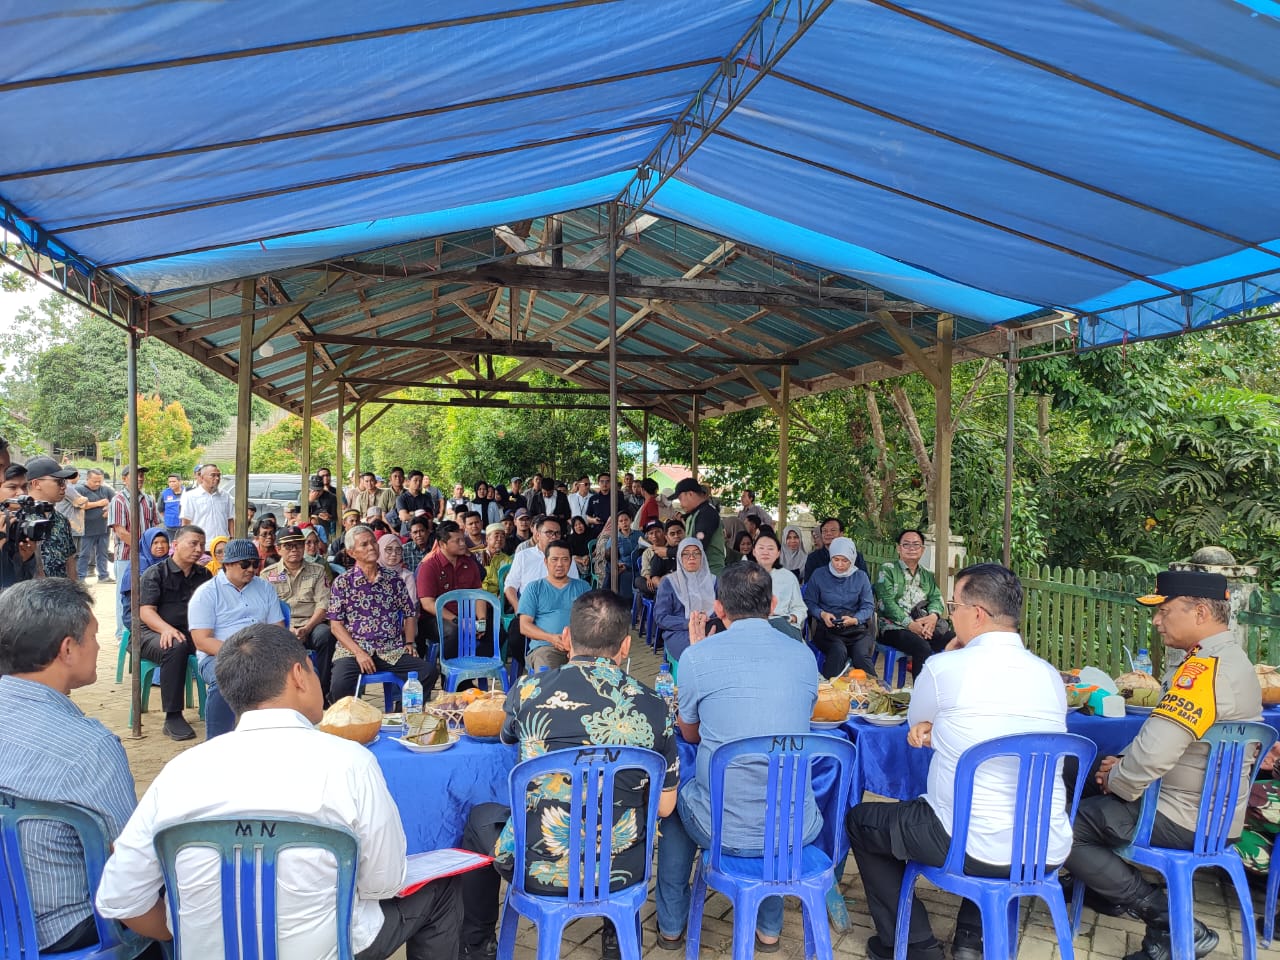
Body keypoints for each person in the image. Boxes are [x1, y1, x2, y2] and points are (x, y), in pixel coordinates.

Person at [95, 623, 463, 960]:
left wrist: (187, 933)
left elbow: (121, 899)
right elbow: (384, 881)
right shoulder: (351, 762)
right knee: (442, 891)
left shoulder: (179, 772)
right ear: (299, 674)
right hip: (331, 950)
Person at [846, 563, 1072, 960]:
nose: (951, 614)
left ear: (978, 615)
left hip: (964, 843)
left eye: (955, 606)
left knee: (863, 821)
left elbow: (915, 724)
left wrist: (948, 661)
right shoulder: (1049, 674)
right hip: (1044, 845)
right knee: (985, 811)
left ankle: (916, 946)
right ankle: (972, 934)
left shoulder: (945, 666)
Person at [459, 590, 679, 960]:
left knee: (478, 818)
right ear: (626, 646)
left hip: (536, 865)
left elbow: (506, 736)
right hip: (621, 868)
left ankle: (477, 945)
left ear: (565, 638)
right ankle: (616, 937)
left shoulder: (527, 690)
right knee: (623, 810)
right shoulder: (654, 705)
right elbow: (666, 807)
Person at [1064, 570, 1261, 960]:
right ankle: (1102, 886)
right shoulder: (1234, 660)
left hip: (1184, 814)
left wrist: (1117, 778)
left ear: (1201, 612)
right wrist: (1118, 767)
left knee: (1062, 829)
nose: (1156, 621)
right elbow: (1164, 738)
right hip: (1214, 807)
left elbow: (1154, 754)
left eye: (1165, 611)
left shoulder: (1202, 671)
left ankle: (1170, 923)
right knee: (1075, 775)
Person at [655, 563, 819, 950]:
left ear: (719, 608)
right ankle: (769, 928)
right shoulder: (804, 656)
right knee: (776, 789)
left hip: (720, 827)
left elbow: (690, 732)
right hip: (794, 826)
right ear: (774, 604)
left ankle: (671, 926)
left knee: (676, 803)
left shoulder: (699, 657)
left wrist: (698, 658)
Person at [0, 578, 142, 956]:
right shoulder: (90, 748)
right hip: (61, 932)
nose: (97, 646)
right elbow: (128, 874)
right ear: (67, 649)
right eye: (93, 636)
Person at [188, 538, 285, 739]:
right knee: (226, 680)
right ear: (228, 564)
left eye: (255, 563)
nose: (251, 569)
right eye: (245, 564)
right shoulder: (206, 593)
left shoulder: (265, 587)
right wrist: (241, 654)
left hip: (262, 653)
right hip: (218, 655)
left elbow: (278, 629)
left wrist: (261, 655)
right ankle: (216, 742)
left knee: (300, 673)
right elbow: (202, 641)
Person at [329, 525, 436, 701]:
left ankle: (403, 712)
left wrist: (410, 642)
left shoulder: (394, 580)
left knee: (427, 672)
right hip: (353, 651)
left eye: (373, 542)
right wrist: (358, 653)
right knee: (340, 684)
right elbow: (335, 626)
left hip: (390, 649)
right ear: (351, 552)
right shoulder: (343, 583)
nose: (371, 547)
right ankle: (349, 723)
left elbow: (409, 613)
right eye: (364, 544)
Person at [137, 524, 211, 741]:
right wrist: (166, 629)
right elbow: (146, 612)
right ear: (176, 545)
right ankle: (173, 716)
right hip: (151, 632)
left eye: (202, 545)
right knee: (174, 645)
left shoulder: (204, 575)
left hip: (189, 632)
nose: (199, 549)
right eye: (193, 543)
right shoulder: (156, 574)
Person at [262, 526, 335, 699]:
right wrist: (288, 630)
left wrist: (307, 628)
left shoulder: (317, 571)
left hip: (312, 624)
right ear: (278, 549)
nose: (294, 549)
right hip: (281, 626)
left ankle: (323, 693)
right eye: (288, 546)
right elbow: (265, 609)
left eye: (298, 545)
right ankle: (280, 696)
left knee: (326, 635)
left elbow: (323, 605)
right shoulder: (268, 575)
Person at [874, 528, 955, 680]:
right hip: (893, 627)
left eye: (916, 545)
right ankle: (921, 694)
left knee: (955, 640)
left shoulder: (926, 575)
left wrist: (932, 617)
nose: (912, 548)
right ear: (899, 548)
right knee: (921, 647)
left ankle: (946, 687)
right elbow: (887, 604)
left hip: (923, 625)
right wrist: (911, 625)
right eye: (906, 544)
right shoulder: (888, 570)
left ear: (922, 550)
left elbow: (936, 598)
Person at [417, 520, 492, 664]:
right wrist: (458, 621)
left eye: (463, 539)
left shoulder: (469, 562)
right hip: (436, 619)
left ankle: (473, 670)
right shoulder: (429, 566)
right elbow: (427, 604)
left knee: (496, 631)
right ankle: (451, 677)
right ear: (442, 544)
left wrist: (481, 621)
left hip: (466, 616)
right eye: (457, 541)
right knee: (454, 631)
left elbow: (478, 594)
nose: (463, 544)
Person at [804, 536, 875, 678]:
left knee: (861, 655)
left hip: (856, 630)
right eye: (836, 560)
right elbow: (809, 602)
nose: (840, 565)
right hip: (827, 630)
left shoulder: (861, 577)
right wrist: (822, 614)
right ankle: (829, 692)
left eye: (845, 561)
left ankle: (875, 692)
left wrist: (855, 619)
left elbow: (868, 606)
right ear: (830, 557)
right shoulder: (819, 575)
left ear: (852, 559)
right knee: (838, 651)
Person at [517, 540, 592, 672]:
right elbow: (524, 626)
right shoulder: (534, 588)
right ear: (546, 562)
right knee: (548, 677)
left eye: (564, 559)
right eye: (554, 559)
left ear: (571, 562)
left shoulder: (583, 587)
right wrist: (551, 638)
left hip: (580, 648)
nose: (559, 564)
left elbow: (592, 620)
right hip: (546, 647)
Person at [653, 538, 718, 669]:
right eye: (686, 553)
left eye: (696, 553)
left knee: (721, 650)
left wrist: (707, 619)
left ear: (702, 557)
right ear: (679, 557)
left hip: (711, 627)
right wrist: (688, 623)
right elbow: (661, 617)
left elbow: (724, 610)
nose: (691, 557)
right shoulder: (669, 582)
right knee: (695, 653)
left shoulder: (714, 581)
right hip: (679, 631)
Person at [27, 455, 79, 580]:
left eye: (64, 482)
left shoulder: (61, 520)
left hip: (60, 595)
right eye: (59, 481)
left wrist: (76, 593)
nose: (64, 486)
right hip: (27, 596)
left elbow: (69, 561)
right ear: (36, 483)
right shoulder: (17, 520)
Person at [751, 532, 806, 640]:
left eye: (770, 549)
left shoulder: (788, 577)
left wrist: (793, 618)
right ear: (754, 552)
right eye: (761, 548)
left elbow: (800, 608)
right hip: (754, 626)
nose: (765, 552)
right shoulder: (743, 576)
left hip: (783, 624)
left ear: (778, 553)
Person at [119, 527, 169, 634]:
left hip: (161, 613)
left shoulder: (169, 562)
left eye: (164, 542)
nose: (160, 546)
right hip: (137, 616)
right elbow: (132, 602)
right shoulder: (139, 563)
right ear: (147, 544)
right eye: (155, 543)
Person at [673, 478, 725, 574]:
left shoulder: (707, 514)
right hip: (699, 572)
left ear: (690, 494)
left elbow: (698, 544)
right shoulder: (695, 514)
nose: (680, 504)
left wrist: (668, 552)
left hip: (711, 573)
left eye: (680, 498)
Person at [0, 463, 39, 590]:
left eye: (24, 487)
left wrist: (26, 559)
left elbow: (24, 581)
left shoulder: (22, 521)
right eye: (12, 487)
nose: (21, 493)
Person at [74, 467, 114, 582]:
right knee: (84, 554)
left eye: (99, 481)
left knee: (103, 553)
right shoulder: (79, 489)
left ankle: (103, 575)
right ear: (87, 479)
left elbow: (116, 500)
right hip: (86, 529)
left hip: (103, 528)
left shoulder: (105, 490)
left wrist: (108, 509)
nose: (97, 483)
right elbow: (79, 504)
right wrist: (99, 503)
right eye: (94, 481)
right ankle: (80, 577)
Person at [803, 517, 868, 582]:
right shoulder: (813, 558)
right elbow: (809, 584)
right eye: (825, 531)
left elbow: (864, 581)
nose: (828, 533)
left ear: (841, 534)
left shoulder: (855, 556)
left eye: (833, 530)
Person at [179, 464, 234, 539]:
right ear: (202, 477)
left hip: (222, 543)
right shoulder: (190, 496)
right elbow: (186, 522)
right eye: (213, 475)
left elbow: (230, 519)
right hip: (201, 544)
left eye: (218, 475)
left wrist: (232, 537)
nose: (217, 478)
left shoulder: (225, 496)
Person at [637, 521, 673, 602]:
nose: (654, 536)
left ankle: (659, 591)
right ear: (648, 537)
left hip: (669, 580)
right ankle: (659, 590)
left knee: (643, 593)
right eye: (651, 533)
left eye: (657, 532)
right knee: (638, 581)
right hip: (653, 582)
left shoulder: (671, 548)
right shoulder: (647, 552)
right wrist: (648, 578)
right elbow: (645, 569)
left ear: (664, 533)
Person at [397, 470, 436, 536]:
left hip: (423, 534)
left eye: (420, 481)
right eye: (415, 480)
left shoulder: (427, 498)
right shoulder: (401, 498)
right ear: (409, 481)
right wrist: (421, 515)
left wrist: (412, 514)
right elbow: (404, 516)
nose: (418, 483)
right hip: (406, 533)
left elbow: (430, 517)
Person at [479, 522, 510, 597]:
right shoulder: (477, 555)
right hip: (477, 595)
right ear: (487, 539)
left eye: (503, 536)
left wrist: (502, 595)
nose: (500, 539)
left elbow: (509, 582)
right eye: (496, 536)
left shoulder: (507, 560)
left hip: (496, 598)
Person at [308, 470, 338, 538]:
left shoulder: (331, 497)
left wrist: (329, 517)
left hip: (324, 529)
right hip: (308, 527)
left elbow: (335, 517)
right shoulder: (303, 495)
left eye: (319, 490)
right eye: (314, 490)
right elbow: (299, 513)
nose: (316, 493)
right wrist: (310, 501)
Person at [159, 473, 184, 537]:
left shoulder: (187, 492)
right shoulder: (164, 493)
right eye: (170, 482)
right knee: (172, 544)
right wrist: (167, 519)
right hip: (170, 527)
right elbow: (160, 509)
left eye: (174, 481)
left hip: (184, 526)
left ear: (180, 482)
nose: (171, 483)